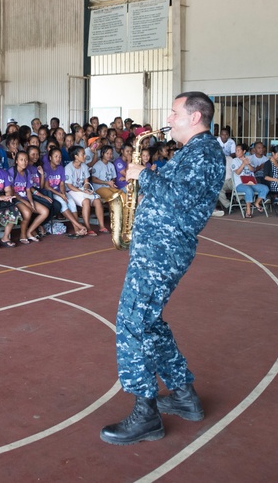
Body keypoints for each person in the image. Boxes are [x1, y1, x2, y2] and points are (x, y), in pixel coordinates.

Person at [100, 92, 224, 446]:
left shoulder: (205, 153)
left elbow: (181, 198)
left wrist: (144, 174)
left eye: (174, 113)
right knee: (149, 322)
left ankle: (146, 414)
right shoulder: (191, 153)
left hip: (162, 251)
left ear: (195, 117)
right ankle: (183, 396)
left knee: (131, 322)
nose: (169, 119)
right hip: (155, 247)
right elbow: (174, 190)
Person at [41, 146, 87, 237]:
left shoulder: (61, 168)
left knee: (71, 202)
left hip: (60, 192)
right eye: (56, 156)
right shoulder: (46, 168)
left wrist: (63, 193)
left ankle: (76, 229)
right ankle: (78, 225)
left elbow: (62, 184)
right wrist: (60, 195)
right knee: (63, 203)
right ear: (50, 158)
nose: (58, 159)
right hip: (51, 193)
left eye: (60, 157)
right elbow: (46, 186)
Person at [9, 150, 49, 244]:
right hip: (15, 199)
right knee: (27, 212)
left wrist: (31, 202)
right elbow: (11, 192)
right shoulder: (11, 172)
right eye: (21, 160)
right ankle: (22, 235)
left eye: (26, 160)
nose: (24, 162)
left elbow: (28, 190)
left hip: (25, 198)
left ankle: (29, 231)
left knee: (45, 211)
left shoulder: (27, 172)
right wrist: (26, 203)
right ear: (16, 161)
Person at [65, 146, 105, 236]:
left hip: (82, 190)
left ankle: (102, 226)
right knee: (86, 201)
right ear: (76, 156)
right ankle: (88, 227)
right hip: (71, 191)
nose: (85, 155)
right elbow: (70, 186)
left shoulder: (84, 166)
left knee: (97, 201)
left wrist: (86, 189)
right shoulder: (68, 168)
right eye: (82, 154)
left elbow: (86, 182)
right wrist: (82, 191)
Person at [230, 143, 268, 217]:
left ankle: (257, 203)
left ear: (244, 151)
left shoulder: (249, 159)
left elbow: (252, 170)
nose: (236, 152)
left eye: (238, 150)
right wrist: (243, 164)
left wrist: (248, 163)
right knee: (248, 190)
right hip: (240, 184)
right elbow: (237, 172)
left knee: (265, 188)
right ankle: (248, 210)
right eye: (236, 150)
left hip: (250, 182)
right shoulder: (234, 160)